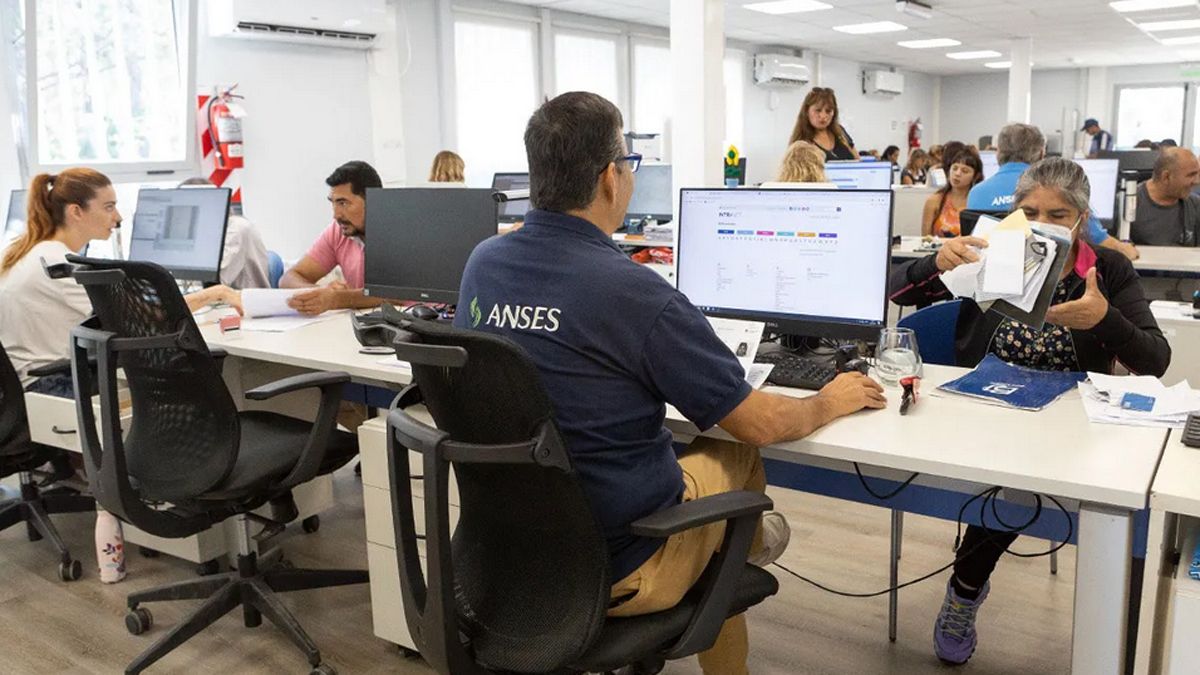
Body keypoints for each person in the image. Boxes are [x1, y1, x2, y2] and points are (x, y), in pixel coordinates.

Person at [456, 92, 886, 675]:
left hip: (507, 553)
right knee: (734, 449)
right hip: (619, 565)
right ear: (611, 178)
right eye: (629, 164)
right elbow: (759, 422)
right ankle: (746, 545)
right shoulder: (634, 292)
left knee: (697, 464)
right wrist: (829, 400)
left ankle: (736, 544)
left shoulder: (483, 262)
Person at [891, 158, 1170, 665]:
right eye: (1030, 212)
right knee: (1010, 488)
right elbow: (895, 291)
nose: (1042, 223)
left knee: (1022, 494)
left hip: (1070, 419)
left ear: (1082, 218)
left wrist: (1104, 319)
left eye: (1058, 215)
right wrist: (934, 263)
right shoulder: (991, 251)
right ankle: (965, 592)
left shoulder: (1106, 270)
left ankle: (967, 589)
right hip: (985, 406)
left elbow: (1155, 360)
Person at [0, 169, 241, 397]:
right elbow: (148, 316)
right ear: (76, 212)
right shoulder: (59, 264)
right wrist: (214, 293)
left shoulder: (27, 251)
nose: (118, 217)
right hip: (53, 385)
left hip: (30, 383)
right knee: (187, 383)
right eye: (109, 207)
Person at [969, 124, 1139, 260]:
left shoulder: (976, 193)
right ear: (1041, 153)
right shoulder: (1058, 191)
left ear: (998, 152)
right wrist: (1124, 247)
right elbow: (1099, 239)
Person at [279, 160, 388, 315]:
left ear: (372, 200)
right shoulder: (338, 231)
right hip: (361, 323)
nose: (336, 215)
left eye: (343, 203)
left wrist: (337, 299)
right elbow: (289, 278)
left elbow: (396, 295)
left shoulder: (398, 230)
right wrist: (320, 293)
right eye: (334, 203)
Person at [179, 177, 270, 289]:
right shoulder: (206, 232)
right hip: (218, 297)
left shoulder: (236, 228)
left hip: (241, 297)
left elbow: (214, 282)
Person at [1132, 147, 1200, 247]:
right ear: (1166, 177)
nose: (1197, 181)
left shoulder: (1195, 205)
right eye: (1191, 175)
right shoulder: (1129, 203)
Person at [922, 147, 983, 237]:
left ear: (976, 176)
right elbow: (925, 239)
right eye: (954, 168)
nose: (957, 174)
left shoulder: (978, 203)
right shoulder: (934, 201)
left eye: (965, 171)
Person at [788, 87, 857, 161]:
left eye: (828, 111)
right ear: (806, 111)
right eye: (818, 110)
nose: (823, 116)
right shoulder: (800, 144)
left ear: (834, 113)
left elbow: (857, 159)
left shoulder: (841, 132)